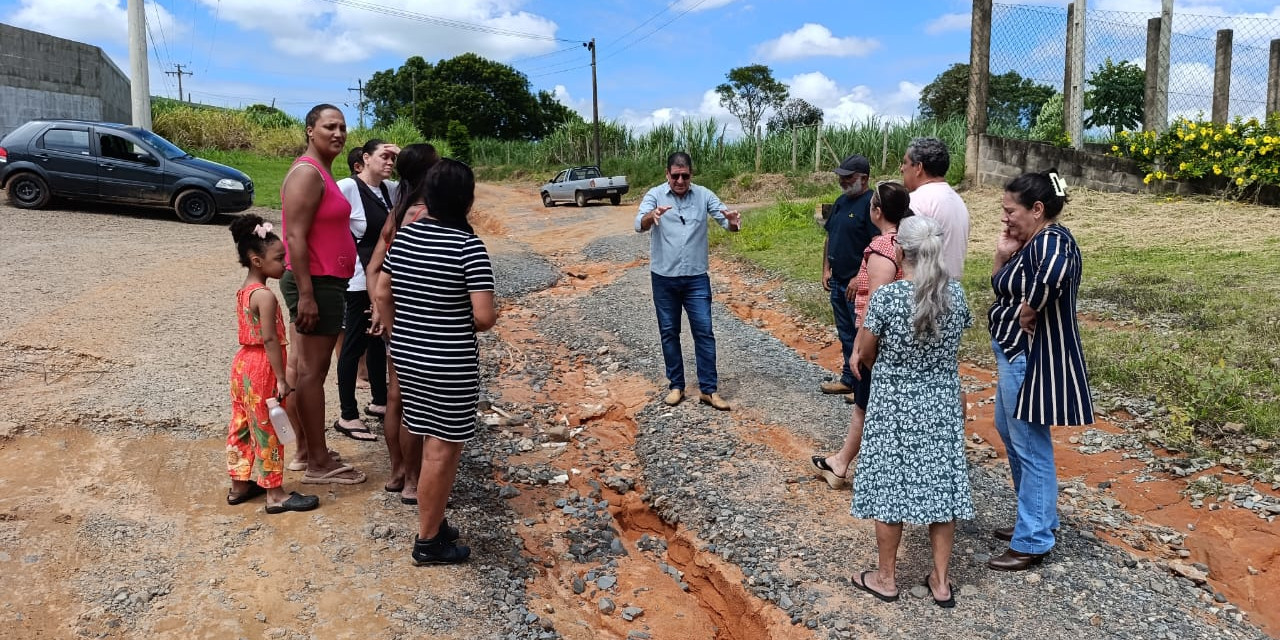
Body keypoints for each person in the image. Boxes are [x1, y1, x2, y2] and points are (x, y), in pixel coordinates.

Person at [373, 158, 496, 565]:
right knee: (442, 449)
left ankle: (434, 521)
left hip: (408, 356)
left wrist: (398, 333)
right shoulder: (467, 246)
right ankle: (428, 541)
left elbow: (383, 291)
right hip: (449, 363)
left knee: (426, 436)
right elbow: (483, 316)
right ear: (466, 200)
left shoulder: (407, 237)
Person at [847, 215, 974, 608]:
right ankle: (940, 582)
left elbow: (865, 353)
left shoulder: (888, 297)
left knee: (889, 485)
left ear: (900, 251)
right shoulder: (956, 295)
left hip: (894, 401)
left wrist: (868, 360)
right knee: (941, 486)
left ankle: (886, 578)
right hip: (940, 402)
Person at [987, 170, 1094, 571]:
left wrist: (1031, 306)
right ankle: (1034, 517)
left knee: (1030, 444)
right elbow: (1002, 285)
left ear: (1037, 208)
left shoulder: (1052, 239)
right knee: (1009, 430)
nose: (1005, 217)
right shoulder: (1030, 242)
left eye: (1010, 210)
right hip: (1014, 354)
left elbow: (1053, 273)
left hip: (1029, 357)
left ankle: (1033, 538)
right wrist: (1002, 253)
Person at [279, 103, 365, 485]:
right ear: (310, 130)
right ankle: (317, 462)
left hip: (324, 281)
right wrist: (308, 295)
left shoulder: (322, 173)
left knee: (303, 371)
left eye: (343, 127)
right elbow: (295, 236)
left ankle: (306, 451)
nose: (338, 133)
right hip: (316, 282)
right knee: (314, 374)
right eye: (329, 126)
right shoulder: (307, 173)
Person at [812, 181, 913, 488]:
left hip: (878, 342)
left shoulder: (883, 248)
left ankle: (846, 466)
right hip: (898, 339)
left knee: (865, 403)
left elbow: (876, 306)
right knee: (872, 404)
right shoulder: (906, 242)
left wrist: (860, 348)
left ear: (877, 211)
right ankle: (845, 462)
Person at [225, 214, 320, 514]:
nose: (285, 264)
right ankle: (275, 493)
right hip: (261, 366)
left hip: (241, 366)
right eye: (279, 259)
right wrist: (281, 378)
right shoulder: (265, 296)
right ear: (257, 261)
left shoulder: (245, 291)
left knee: (242, 423)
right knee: (268, 426)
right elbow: (269, 341)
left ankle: (239, 483)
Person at [634, 152, 741, 411]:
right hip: (664, 279)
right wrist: (651, 216)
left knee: (704, 332)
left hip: (696, 279)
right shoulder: (655, 195)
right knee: (669, 333)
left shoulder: (704, 195)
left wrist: (733, 222)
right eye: (675, 176)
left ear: (691, 175)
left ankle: (709, 390)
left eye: (685, 176)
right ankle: (676, 386)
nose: (680, 180)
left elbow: (726, 221)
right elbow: (638, 223)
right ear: (667, 174)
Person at [366, 143, 440, 505]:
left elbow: (374, 267)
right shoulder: (425, 213)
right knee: (416, 403)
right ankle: (414, 479)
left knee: (396, 397)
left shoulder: (397, 211)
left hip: (396, 317)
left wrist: (380, 308)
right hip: (416, 321)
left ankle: (398, 472)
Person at [334, 139, 400, 442]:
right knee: (353, 344)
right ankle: (347, 414)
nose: (389, 162)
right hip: (358, 280)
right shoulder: (348, 187)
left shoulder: (390, 189)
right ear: (365, 158)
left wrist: (405, 156)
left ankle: (378, 400)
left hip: (383, 279)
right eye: (384, 157)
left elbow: (424, 183)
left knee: (378, 340)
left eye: (393, 159)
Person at [819, 154, 878, 397]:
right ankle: (848, 379)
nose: (842, 181)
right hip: (838, 281)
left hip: (858, 285)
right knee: (845, 332)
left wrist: (859, 277)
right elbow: (830, 236)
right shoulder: (841, 201)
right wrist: (825, 268)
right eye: (841, 177)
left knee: (861, 335)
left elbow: (877, 244)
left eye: (848, 177)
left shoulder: (872, 204)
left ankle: (864, 387)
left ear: (863, 179)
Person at [899, 137, 970, 280]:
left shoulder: (915, 202)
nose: (902, 168)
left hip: (923, 290)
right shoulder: (958, 202)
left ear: (918, 167)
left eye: (905, 162)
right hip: (951, 289)